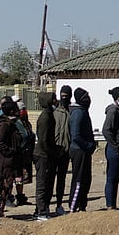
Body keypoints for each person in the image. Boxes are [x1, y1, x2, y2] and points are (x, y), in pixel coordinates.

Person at [0, 98, 26, 217]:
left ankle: (1, 209)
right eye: (15, 110)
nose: (18, 112)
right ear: (10, 111)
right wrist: (10, 152)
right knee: (3, 187)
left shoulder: (12, 123)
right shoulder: (4, 125)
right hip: (4, 161)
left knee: (7, 186)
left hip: (9, 161)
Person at [67, 88, 96, 212]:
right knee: (79, 179)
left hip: (85, 150)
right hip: (79, 150)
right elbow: (76, 135)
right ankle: (73, 206)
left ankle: (82, 205)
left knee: (86, 179)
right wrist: (88, 145)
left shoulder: (83, 111)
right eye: (86, 96)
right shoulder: (78, 113)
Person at [33, 91, 58, 220]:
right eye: (54, 99)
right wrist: (50, 152)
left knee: (48, 183)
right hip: (43, 155)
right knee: (42, 184)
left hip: (47, 154)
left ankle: (43, 209)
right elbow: (43, 140)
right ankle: (41, 212)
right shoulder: (45, 117)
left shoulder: (49, 115)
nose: (56, 101)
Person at [50, 86, 73, 214]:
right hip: (55, 150)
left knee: (61, 180)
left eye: (66, 95)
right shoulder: (54, 112)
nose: (64, 97)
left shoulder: (72, 111)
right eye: (62, 95)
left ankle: (59, 204)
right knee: (50, 178)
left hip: (65, 150)